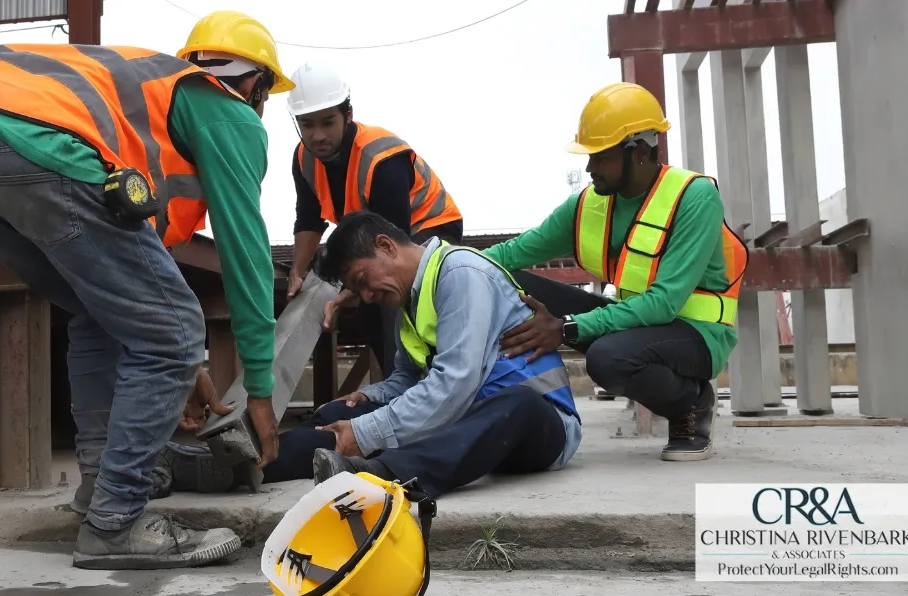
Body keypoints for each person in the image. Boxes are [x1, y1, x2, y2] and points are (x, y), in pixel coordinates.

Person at [0, 10, 294, 569]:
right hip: (38, 152)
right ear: (255, 84)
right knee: (175, 330)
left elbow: (132, 296)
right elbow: (246, 251)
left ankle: (99, 497)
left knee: (98, 316)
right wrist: (259, 390)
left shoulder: (149, 105)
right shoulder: (227, 112)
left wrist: (185, 367)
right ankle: (117, 523)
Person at [485, 82, 748, 462]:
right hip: (638, 325)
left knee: (607, 359)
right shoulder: (589, 205)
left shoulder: (694, 198)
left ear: (639, 152)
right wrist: (440, 265)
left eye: (600, 156)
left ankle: (691, 403)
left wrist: (566, 328)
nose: (589, 167)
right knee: (510, 281)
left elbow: (664, 304)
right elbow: (511, 253)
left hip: (696, 334)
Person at [260, 211, 582, 500]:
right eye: (358, 292)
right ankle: (251, 463)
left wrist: (367, 431)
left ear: (386, 246)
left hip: (539, 424)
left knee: (518, 404)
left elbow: (455, 384)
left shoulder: (461, 273)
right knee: (341, 415)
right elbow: (408, 379)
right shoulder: (408, 301)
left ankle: (381, 474)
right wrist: (370, 397)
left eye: (362, 281)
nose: (368, 297)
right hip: (464, 417)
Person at [282, 61, 464, 378]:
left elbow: (391, 247)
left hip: (428, 230)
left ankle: (429, 385)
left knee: (391, 297)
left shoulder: (382, 157)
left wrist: (340, 298)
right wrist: (297, 272)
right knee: (370, 309)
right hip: (375, 238)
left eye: (328, 122)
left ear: (347, 115)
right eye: (308, 125)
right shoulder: (303, 159)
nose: (318, 135)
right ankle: (399, 386)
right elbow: (309, 219)